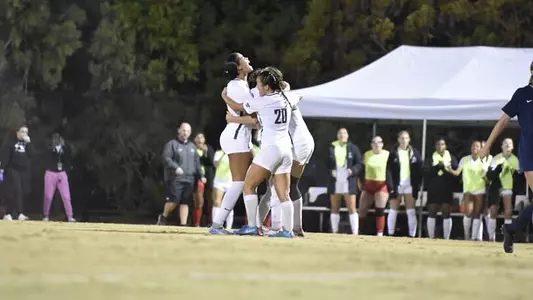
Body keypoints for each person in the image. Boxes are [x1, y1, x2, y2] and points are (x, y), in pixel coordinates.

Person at [219, 67, 301, 238]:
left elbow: (238, 106)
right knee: (284, 194)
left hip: (271, 149)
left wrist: (225, 97)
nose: (256, 86)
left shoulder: (263, 102)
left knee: (248, 185)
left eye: (258, 84)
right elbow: (294, 93)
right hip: (286, 149)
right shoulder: (286, 96)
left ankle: (251, 226)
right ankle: (287, 231)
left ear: (266, 87)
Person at [479, 62, 533, 252]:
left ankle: (511, 228)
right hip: (530, 154)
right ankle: (512, 229)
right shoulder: (522, 94)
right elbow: (503, 121)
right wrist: (487, 145)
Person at [209, 52, 258, 235]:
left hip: (238, 135)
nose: (248, 59)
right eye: (244, 58)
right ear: (238, 67)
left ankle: (255, 223)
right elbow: (253, 117)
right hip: (236, 136)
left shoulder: (241, 85)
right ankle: (218, 225)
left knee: (252, 180)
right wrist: (239, 118)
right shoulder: (237, 86)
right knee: (239, 182)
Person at [157, 122, 204, 226]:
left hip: (190, 179)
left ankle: (183, 225)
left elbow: (197, 163)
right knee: (174, 201)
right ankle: (163, 216)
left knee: (185, 202)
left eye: (187, 131)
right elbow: (166, 158)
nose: (185, 133)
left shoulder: (192, 146)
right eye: (183, 130)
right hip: (176, 178)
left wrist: (201, 175)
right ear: (179, 130)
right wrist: (176, 167)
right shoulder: (172, 144)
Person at [446, 140, 488, 241]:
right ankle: (466, 236)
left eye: (477, 146)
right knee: (468, 213)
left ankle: (474, 238)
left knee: (477, 214)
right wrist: (448, 168)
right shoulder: (464, 159)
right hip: (468, 189)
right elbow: (457, 173)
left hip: (480, 189)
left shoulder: (484, 160)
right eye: (473, 146)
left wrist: (486, 177)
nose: (474, 147)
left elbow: (486, 177)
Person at [387, 131, 422, 237]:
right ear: (398, 139)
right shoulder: (393, 152)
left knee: (411, 211)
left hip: (410, 184)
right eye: (402, 138)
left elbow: (419, 169)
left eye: (406, 138)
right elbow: (388, 170)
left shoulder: (414, 152)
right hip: (397, 184)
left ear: (409, 139)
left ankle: (412, 235)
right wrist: (391, 186)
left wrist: (417, 185)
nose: (404, 140)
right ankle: (390, 233)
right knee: (393, 210)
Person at [327, 128, 363, 235]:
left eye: (344, 133)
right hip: (335, 179)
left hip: (348, 178)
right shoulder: (331, 147)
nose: (342, 135)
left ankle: (355, 232)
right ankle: (334, 231)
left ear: (347, 135)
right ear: (337, 135)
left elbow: (359, 163)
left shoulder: (353, 148)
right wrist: (331, 171)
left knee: (351, 207)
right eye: (340, 133)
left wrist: (352, 170)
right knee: (335, 207)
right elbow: (326, 162)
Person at [485, 138, 519, 241]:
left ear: (512, 147)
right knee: (493, 211)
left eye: (510, 144)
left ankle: (507, 237)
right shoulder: (496, 158)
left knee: (508, 212)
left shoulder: (515, 160)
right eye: (505, 143)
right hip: (496, 187)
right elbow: (490, 175)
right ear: (501, 146)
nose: (507, 145)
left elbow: (519, 176)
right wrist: (498, 168)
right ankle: (491, 237)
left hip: (508, 187)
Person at [358, 136, 392, 236]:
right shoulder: (367, 154)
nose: (376, 144)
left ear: (382, 144)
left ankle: (380, 233)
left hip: (381, 184)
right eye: (374, 142)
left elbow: (392, 170)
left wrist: (391, 186)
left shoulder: (387, 154)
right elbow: (361, 168)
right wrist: (359, 181)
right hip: (368, 184)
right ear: (371, 144)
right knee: (362, 209)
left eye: (379, 142)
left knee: (380, 210)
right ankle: (360, 231)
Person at [425, 138, 458, 239]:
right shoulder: (430, 158)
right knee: (432, 212)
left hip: (447, 188)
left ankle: (446, 238)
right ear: (435, 146)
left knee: (446, 213)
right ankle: (431, 237)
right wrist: (436, 168)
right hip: (433, 189)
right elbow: (425, 173)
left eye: (442, 144)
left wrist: (445, 169)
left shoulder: (451, 158)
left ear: (446, 146)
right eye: (438, 144)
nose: (440, 146)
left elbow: (456, 173)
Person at [0, 125, 32, 221]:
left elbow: (31, 154)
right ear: (17, 132)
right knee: (13, 191)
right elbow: (5, 157)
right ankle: (10, 213)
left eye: (26, 132)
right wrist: (1, 169)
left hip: (23, 171)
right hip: (12, 170)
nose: (24, 134)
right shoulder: (10, 143)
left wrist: (29, 143)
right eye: (22, 131)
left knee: (21, 191)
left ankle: (19, 213)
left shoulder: (26, 144)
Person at [42, 133, 75, 222]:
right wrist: (53, 149)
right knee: (48, 196)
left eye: (59, 138)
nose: (57, 140)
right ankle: (45, 215)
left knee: (66, 196)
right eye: (55, 138)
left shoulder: (66, 149)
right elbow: (45, 158)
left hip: (61, 173)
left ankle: (70, 216)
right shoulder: (49, 149)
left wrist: (66, 172)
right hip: (50, 172)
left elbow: (69, 160)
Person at [192, 133, 215, 227]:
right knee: (199, 201)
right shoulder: (192, 149)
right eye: (198, 137)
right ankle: (196, 223)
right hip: (197, 177)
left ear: (204, 139)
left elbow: (213, 161)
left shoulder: (208, 148)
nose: (200, 139)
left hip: (209, 177)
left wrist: (206, 152)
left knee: (211, 201)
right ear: (194, 139)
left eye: (201, 137)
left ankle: (210, 222)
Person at [211, 149, 234, 229]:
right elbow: (215, 164)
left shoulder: (234, 153)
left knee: (229, 204)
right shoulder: (218, 153)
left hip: (230, 181)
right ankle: (215, 225)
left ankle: (229, 227)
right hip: (219, 181)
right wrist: (223, 154)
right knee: (217, 202)